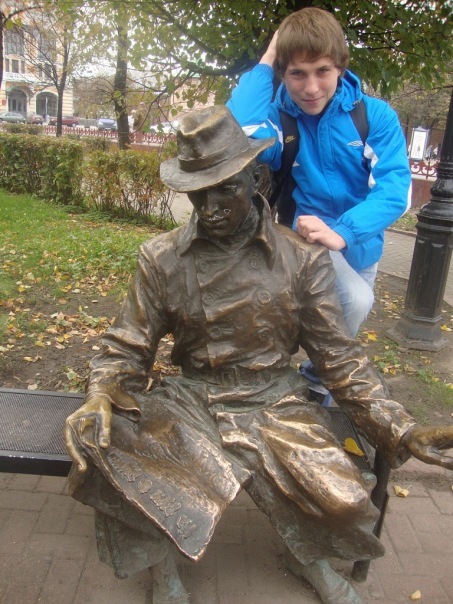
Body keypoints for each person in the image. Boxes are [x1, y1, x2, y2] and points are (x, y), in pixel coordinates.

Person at [64, 106, 453, 604]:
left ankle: (306, 555)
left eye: (225, 187)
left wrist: (401, 426)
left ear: (256, 180)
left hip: (274, 400)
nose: (210, 207)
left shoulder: (302, 259)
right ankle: (163, 570)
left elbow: (340, 358)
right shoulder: (160, 258)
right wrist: (102, 391)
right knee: (117, 453)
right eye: (198, 192)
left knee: (342, 499)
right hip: (192, 399)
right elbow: (127, 345)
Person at [226, 7, 412, 405]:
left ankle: (318, 384)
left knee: (345, 325)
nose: (311, 87)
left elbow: (395, 190)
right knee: (355, 302)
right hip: (306, 242)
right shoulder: (280, 121)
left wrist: (343, 232)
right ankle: (310, 383)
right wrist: (268, 58)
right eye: (297, 73)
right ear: (283, 72)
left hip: (361, 244)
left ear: (340, 66)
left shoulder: (373, 117)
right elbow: (240, 128)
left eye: (322, 71)